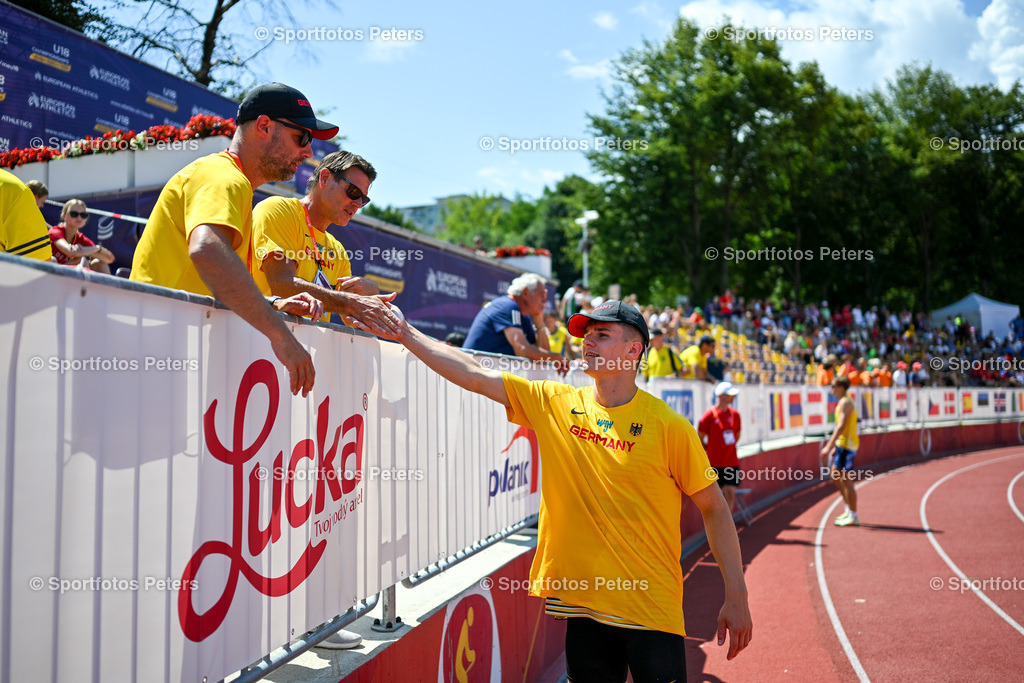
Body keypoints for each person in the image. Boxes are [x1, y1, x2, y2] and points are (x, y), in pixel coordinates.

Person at [348, 300, 751, 679]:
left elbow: (713, 508)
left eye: (602, 335)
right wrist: (403, 331)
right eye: (585, 334)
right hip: (584, 609)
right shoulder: (555, 401)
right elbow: (472, 372)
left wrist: (736, 594)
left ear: (633, 352)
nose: (587, 341)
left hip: (651, 608)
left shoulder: (669, 427)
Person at [129, 83, 387, 396]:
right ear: (263, 126)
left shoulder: (234, 184)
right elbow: (207, 251)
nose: (308, 152)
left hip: (168, 344)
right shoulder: (225, 177)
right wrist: (281, 334)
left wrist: (273, 303)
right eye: (301, 138)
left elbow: (215, 283)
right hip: (158, 345)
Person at [252, 150, 397, 328]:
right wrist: (351, 302)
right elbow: (282, 284)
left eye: (363, 199)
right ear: (325, 178)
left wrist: (369, 295)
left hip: (301, 346)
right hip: (257, 338)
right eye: (353, 192)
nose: (358, 204)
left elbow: (349, 315)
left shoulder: (338, 250)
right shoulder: (278, 210)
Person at [463, 273, 564, 364]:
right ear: (525, 293)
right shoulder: (507, 306)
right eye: (542, 295)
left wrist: (539, 323)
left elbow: (541, 354)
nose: (545, 301)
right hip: (472, 376)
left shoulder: (522, 314)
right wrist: (557, 357)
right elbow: (523, 350)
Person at [821, 375, 860, 526]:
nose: (831, 388)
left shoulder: (844, 403)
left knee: (846, 479)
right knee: (835, 476)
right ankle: (849, 510)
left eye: (833, 385)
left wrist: (828, 446)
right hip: (843, 445)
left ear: (841, 387)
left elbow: (841, 426)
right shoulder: (844, 402)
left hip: (847, 445)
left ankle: (853, 514)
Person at [698, 382, 743, 514]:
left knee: (730, 495)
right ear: (722, 396)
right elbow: (699, 437)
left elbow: (737, 435)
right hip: (713, 465)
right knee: (714, 500)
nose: (733, 397)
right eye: (730, 395)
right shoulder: (708, 416)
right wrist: (709, 449)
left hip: (731, 463)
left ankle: (727, 530)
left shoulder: (735, 415)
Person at [48, 199, 115, 273]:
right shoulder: (55, 231)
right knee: (81, 261)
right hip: (48, 273)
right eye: (74, 214)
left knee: (99, 263)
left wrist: (96, 248)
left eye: (83, 215)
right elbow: (70, 252)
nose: (79, 218)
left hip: (65, 274)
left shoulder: (80, 238)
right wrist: (89, 251)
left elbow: (109, 259)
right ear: (64, 216)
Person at [0, 169, 51, 260]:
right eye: (42, 201)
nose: (42, 205)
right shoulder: (15, 193)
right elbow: (38, 266)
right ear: (35, 197)